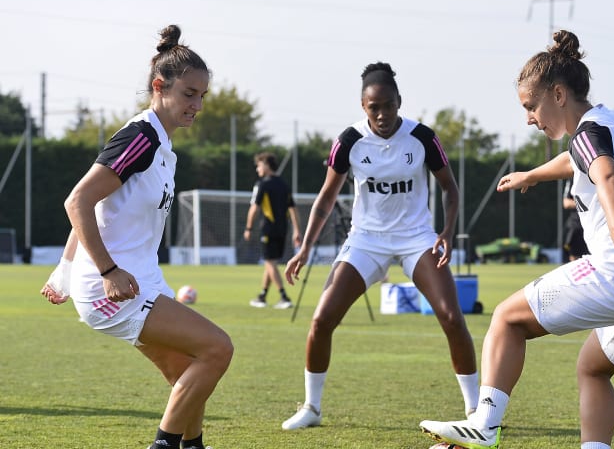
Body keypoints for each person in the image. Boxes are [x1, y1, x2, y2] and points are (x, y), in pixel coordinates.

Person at [420, 30, 614, 449]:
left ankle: (485, 424)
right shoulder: (612, 123)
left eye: (531, 106)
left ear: (559, 95)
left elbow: (603, 170)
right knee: (593, 368)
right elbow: (579, 160)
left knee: (507, 319)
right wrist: (533, 174)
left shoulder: (588, 134)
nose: (529, 117)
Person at [40, 25, 233, 449]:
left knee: (188, 372)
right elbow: (78, 201)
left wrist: (63, 271)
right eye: (188, 94)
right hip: (114, 287)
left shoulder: (163, 145)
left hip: (140, 279)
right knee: (218, 349)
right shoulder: (141, 137)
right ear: (159, 87)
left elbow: (100, 209)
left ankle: (192, 445)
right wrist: (102, 270)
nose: (197, 105)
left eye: (202, 96)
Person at [280, 61, 479, 430]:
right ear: (363, 106)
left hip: (416, 238)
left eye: (389, 105)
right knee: (322, 320)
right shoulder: (349, 142)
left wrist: (447, 233)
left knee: (452, 317)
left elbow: (451, 189)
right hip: (365, 240)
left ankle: (475, 411)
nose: (383, 113)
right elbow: (326, 198)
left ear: (399, 101)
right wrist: (306, 247)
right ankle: (312, 408)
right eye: (375, 107)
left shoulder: (422, 137)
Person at [244, 152, 302, 309]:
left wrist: (248, 228)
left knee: (269, 262)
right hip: (283, 230)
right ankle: (262, 296)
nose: (257, 169)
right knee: (271, 263)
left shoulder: (262, 184)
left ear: (267, 165)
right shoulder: (284, 184)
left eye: (259, 165)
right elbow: (293, 209)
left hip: (268, 230)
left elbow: (254, 208)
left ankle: (284, 297)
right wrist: (297, 231)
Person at [562, 178, 589, 261]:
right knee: (575, 254)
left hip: (595, 223)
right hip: (577, 224)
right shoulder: (573, 179)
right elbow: (566, 203)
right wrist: (587, 206)